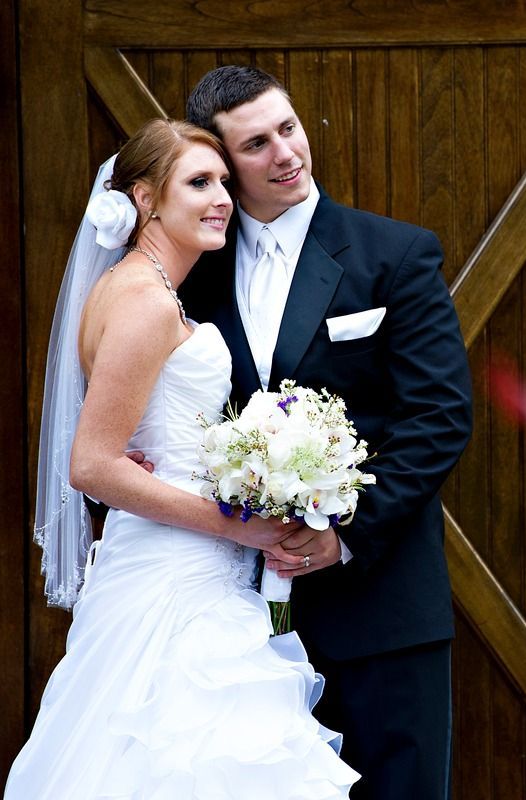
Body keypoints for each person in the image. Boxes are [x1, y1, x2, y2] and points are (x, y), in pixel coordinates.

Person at [8, 119, 359, 797]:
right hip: (177, 578)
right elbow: (93, 464)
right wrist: (237, 523)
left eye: (224, 181)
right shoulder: (143, 303)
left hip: (186, 560)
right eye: (199, 182)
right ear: (145, 199)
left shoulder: (141, 290)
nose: (222, 196)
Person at [180, 66, 473, 799]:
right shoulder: (193, 276)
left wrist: (344, 536)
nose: (286, 153)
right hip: (235, 615)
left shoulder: (396, 254)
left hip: (382, 607)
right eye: (256, 144)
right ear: (222, 166)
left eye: (289, 128)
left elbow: (439, 417)